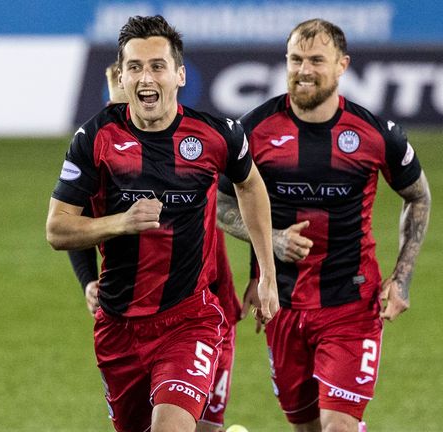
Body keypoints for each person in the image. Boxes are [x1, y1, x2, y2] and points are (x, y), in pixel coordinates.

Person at [46, 15, 279, 432]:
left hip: (189, 318)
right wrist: (119, 223)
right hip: (118, 325)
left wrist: (266, 275)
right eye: (134, 67)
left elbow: (250, 186)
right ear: (121, 76)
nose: (145, 77)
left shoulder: (216, 135)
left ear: (180, 74)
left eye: (157, 66)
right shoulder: (94, 139)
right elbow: (58, 229)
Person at [216, 19, 431, 432]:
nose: (304, 70)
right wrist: (268, 248)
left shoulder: (375, 134)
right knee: (308, 427)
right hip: (282, 305)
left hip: (351, 303)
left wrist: (402, 277)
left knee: (338, 427)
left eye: (317, 60)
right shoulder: (253, 130)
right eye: (296, 59)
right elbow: (223, 201)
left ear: (342, 65)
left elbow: (418, 196)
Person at [68, 60, 243, 432]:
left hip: (203, 313)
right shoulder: (102, 148)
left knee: (198, 425)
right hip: (126, 322)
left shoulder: (195, 146)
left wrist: (265, 272)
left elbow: (246, 197)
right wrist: (87, 279)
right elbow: (73, 222)